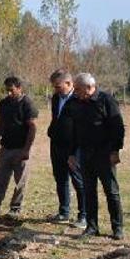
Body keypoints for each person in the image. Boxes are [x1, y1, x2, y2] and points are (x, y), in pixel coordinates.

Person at [67, 73, 125, 239]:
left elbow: (118, 127)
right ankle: (92, 227)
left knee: (111, 191)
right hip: (85, 154)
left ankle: (117, 228)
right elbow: (74, 131)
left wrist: (115, 150)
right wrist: (72, 153)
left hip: (105, 153)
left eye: (77, 89)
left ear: (89, 87)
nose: (75, 92)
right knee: (89, 191)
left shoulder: (106, 100)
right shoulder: (75, 103)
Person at [0, 76, 38, 216]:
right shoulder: (3, 103)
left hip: (21, 148)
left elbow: (32, 128)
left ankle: (15, 208)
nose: (8, 93)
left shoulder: (28, 104)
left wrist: (26, 150)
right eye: (6, 90)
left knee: (20, 181)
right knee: (0, 179)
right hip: (6, 148)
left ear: (19, 88)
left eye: (11, 90)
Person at [46, 69, 86, 228]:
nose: (56, 90)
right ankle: (64, 212)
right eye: (54, 87)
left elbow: (81, 127)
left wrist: (74, 151)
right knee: (60, 178)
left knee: (78, 180)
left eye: (58, 86)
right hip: (56, 144)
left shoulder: (79, 99)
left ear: (69, 84)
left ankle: (84, 215)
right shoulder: (56, 98)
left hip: (74, 147)